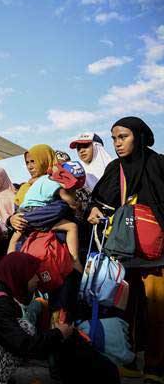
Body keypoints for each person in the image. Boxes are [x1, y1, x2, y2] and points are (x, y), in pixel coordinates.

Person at [0, 253, 120, 384]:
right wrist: (59, 334)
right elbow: (25, 345)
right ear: (20, 275)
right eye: (33, 275)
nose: (38, 279)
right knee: (28, 329)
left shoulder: (1, 296)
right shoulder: (0, 304)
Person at [88, 117, 164, 381]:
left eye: (123, 137)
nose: (117, 143)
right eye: (114, 138)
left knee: (157, 311)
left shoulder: (158, 164)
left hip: (157, 253)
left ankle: (155, 366)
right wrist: (93, 210)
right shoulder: (114, 169)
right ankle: (127, 359)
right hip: (126, 252)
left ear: (139, 137)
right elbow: (99, 202)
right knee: (124, 309)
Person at [8, 162, 86, 273]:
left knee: (18, 233)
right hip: (35, 216)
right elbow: (70, 202)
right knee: (70, 224)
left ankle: (10, 265)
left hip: (25, 214)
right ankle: (75, 260)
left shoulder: (44, 179)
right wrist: (77, 206)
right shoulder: (58, 188)